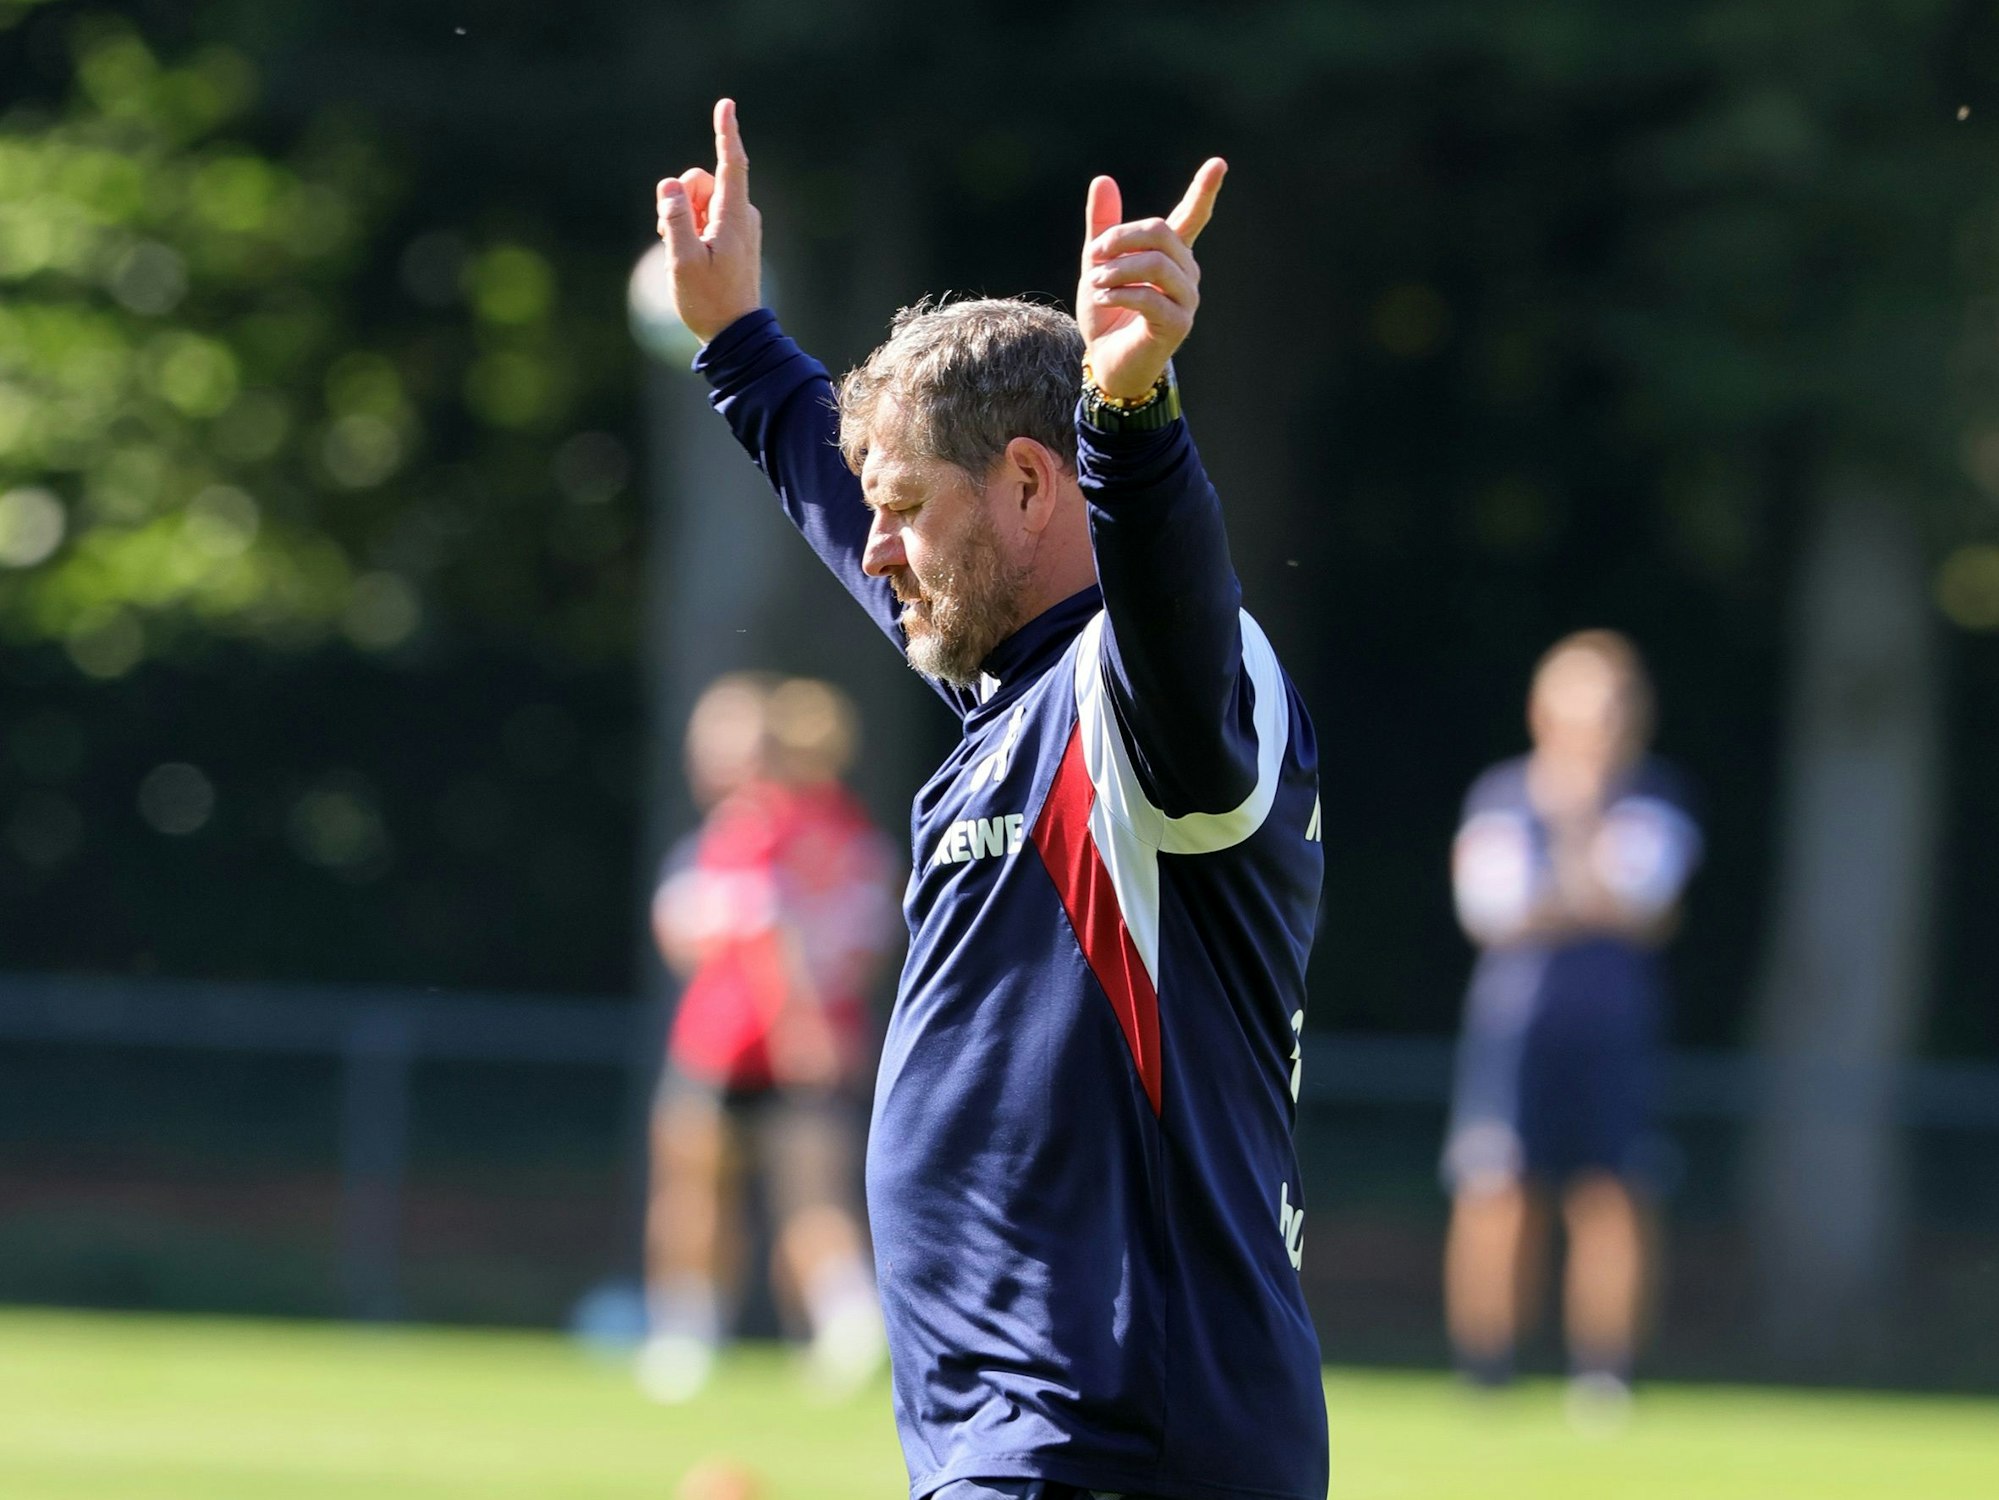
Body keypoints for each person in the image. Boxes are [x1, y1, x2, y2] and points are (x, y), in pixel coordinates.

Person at [652, 100, 1328, 1500]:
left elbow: (1169, 609)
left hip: (1113, 1433)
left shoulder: (1150, 705)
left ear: (1028, 484)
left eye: (905, 510)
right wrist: (737, 344)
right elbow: (858, 524)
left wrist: (1129, 420)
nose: (876, 551)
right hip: (1031, 1430)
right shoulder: (1014, 694)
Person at [1441, 630, 1702, 1420]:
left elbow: (1642, 903)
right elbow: (1492, 911)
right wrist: (1585, 892)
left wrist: (1575, 834)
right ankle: (1486, 1368)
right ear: (1542, 711)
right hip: (1512, 1022)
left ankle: (1604, 1372)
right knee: (1495, 1183)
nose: (1601, 724)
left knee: (1614, 1190)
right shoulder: (1499, 794)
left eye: (1615, 707)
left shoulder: (1656, 797)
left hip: (1617, 1024)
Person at [643, 672, 897, 1403]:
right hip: (819, 1037)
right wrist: (834, 1020)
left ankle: (690, 1335)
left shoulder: (754, 827)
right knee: (812, 1194)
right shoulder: (857, 834)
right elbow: (870, 938)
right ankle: (845, 1325)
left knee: (704, 1189)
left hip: (733, 1036)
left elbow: (762, 931)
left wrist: (796, 1023)